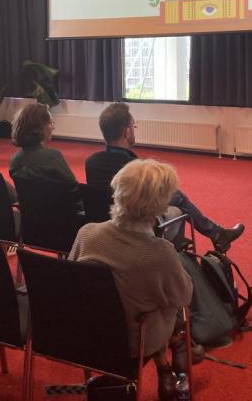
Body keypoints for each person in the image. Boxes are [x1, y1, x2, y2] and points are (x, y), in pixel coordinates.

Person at [70, 159, 193, 401]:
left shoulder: (87, 233)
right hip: (135, 341)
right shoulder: (160, 253)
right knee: (168, 305)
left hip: (86, 330)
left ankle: (167, 363)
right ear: (160, 206)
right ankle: (174, 352)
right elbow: (183, 297)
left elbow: (71, 279)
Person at [86, 103, 244, 253]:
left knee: (175, 196)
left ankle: (217, 234)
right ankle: (196, 244)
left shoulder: (91, 163)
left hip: (103, 228)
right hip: (136, 228)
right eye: (133, 126)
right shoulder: (134, 169)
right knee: (177, 200)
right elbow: (146, 204)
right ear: (127, 132)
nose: (134, 130)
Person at [9, 103, 77, 185]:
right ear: (39, 127)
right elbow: (72, 184)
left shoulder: (15, 160)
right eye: (50, 123)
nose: (53, 127)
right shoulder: (52, 157)